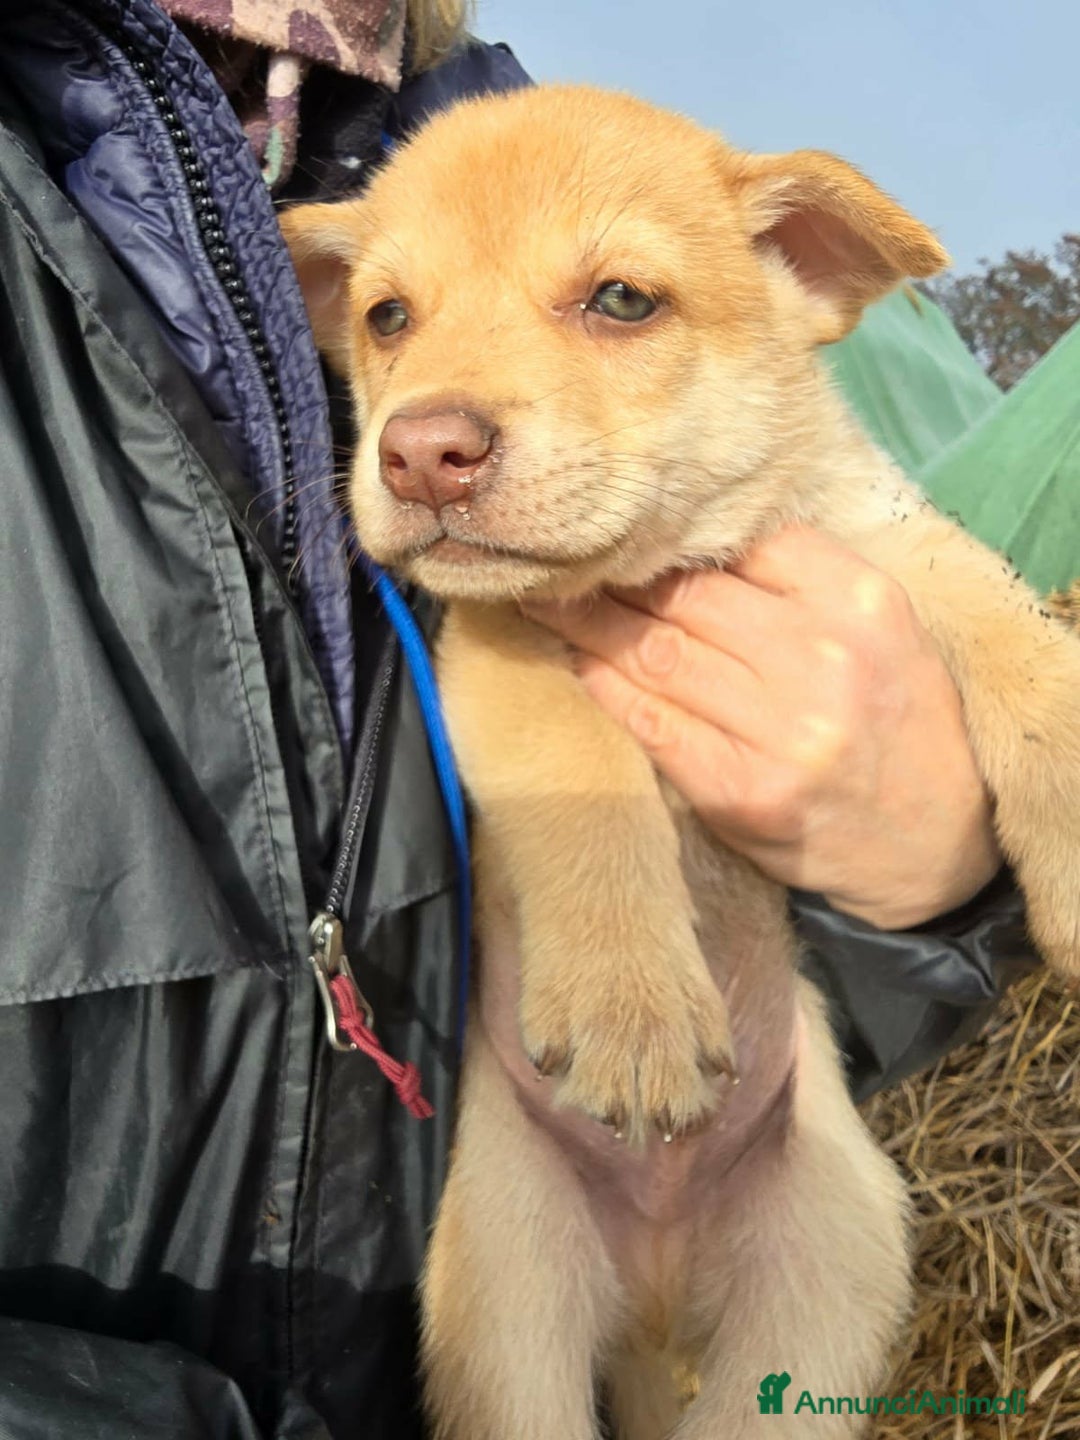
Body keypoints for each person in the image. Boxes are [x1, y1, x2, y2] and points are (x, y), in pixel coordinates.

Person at [0, 1, 1033, 1436]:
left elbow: (971, 621)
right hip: (471, 1176)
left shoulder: (488, 139)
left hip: (757, 1101)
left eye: (613, 299)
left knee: (829, 1302)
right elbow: (513, 678)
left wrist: (934, 890)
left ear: (802, 265)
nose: (432, 421)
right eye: (390, 318)